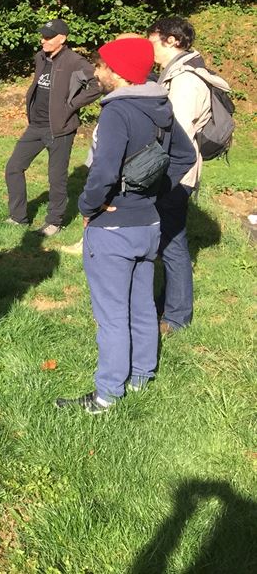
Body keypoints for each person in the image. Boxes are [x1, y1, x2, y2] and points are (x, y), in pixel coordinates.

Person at [56, 36, 195, 414]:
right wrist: (151, 192)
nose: (96, 71)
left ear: (118, 72)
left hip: (114, 229)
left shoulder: (118, 112)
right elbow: (185, 155)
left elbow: (103, 172)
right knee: (141, 305)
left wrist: (89, 206)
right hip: (148, 224)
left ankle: (106, 395)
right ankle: (140, 376)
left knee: (112, 315)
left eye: (102, 65)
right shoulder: (159, 105)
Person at [146, 17, 229, 335]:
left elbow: (175, 134)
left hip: (176, 171)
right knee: (168, 239)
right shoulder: (175, 74)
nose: (150, 47)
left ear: (172, 40)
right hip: (173, 169)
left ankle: (177, 317)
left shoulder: (185, 81)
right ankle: (166, 304)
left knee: (173, 243)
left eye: (153, 40)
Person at [4, 18, 100, 236]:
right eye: (43, 36)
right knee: (14, 168)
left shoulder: (75, 61)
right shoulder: (41, 57)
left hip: (60, 128)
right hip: (36, 126)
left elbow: (96, 85)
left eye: (48, 37)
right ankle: (18, 217)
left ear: (62, 39)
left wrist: (71, 105)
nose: (43, 40)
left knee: (56, 178)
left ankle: (54, 222)